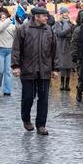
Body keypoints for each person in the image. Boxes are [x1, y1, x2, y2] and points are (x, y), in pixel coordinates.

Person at [11, 7, 58, 135]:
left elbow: (54, 50)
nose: (46, 18)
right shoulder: (24, 29)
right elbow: (16, 49)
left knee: (43, 99)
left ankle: (41, 125)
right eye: (44, 16)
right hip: (28, 69)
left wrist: (55, 68)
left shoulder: (49, 30)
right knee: (28, 98)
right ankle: (26, 119)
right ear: (36, 17)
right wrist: (15, 66)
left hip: (45, 70)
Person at [0, 8, 15, 97]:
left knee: (8, 71)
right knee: (0, 70)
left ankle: (7, 90)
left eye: (5, 17)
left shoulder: (11, 26)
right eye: (2, 18)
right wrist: (9, 19)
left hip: (9, 50)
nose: (4, 19)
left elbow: (17, 33)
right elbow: (1, 28)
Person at [70, 9, 83, 104]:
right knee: (82, 76)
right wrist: (74, 54)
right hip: (81, 57)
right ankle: (79, 89)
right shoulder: (78, 30)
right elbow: (74, 43)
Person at [54, 7, 76, 92]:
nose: (66, 14)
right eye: (64, 12)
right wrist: (71, 27)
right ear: (61, 14)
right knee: (63, 65)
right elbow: (60, 33)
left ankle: (67, 84)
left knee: (69, 66)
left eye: (67, 12)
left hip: (70, 45)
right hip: (62, 45)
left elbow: (75, 32)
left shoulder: (71, 22)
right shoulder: (58, 23)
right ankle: (62, 83)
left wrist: (73, 25)